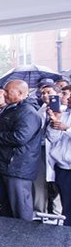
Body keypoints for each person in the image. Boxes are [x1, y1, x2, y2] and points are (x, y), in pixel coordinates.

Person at [0, 80, 42, 222]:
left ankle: (23, 239)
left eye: (8, 91)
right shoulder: (13, 109)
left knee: (20, 208)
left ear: (21, 94)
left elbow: (20, 137)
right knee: (7, 207)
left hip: (17, 167)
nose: (5, 94)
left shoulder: (28, 112)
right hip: (5, 166)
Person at [36, 84, 65, 216]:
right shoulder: (41, 110)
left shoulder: (64, 111)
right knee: (42, 183)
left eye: (49, 93)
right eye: (43, 93)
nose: (45, 96)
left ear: (58, 95)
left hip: (59, 152)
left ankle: (58, 212)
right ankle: (41, 212)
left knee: (57, 185)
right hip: (42, 150)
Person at [47, 90, 71, 225]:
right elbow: (52, 139)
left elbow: (66, 131)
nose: (67, 99)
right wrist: (54, 123)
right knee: (65, 206)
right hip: (62, 167)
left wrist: (67, 129)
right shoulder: (64, 115)